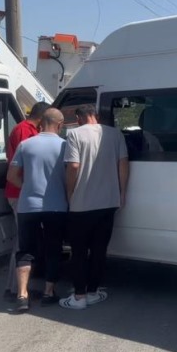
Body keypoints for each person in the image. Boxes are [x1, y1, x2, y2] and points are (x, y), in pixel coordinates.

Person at [59, 105, 129, 310]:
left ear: (79, 118)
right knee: (99, 250)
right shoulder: (115, 134)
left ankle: (79, 297)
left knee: (79, 251)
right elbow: (123, 164)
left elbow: (73, 166)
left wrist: (69, 193)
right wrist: (122, 193)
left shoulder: (74, 134)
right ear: (95, 116)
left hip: (81, 204)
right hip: (108, 202)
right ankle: (93, 292)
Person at [5, 108, 67, 312]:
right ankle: (49, 292)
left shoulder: (26, 144)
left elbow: (11, 176)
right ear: (59, 124)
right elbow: (71, 174)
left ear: (41, 123)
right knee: (53, 249)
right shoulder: (65, 146)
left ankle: (23, 295)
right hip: (56, 206)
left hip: (27, 206)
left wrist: (28, 187)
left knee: (25, 251)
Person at [3, 101, 50, 301]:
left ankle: (23, 286)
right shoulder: (24, 130)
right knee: (23, 241)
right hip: (20, 191)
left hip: (26, 192)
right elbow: (28, 163)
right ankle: (14, 289)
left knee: (30, 239)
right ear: (44, 117)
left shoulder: (28, 129)